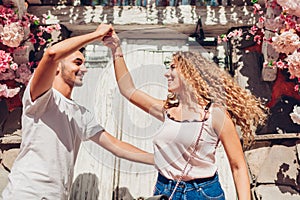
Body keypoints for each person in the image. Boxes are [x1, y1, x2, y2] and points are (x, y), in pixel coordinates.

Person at [103, 31, 268, 200]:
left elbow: (238, 166)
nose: (166, 73)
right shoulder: (167, 111)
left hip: (202, 192)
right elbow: (128, 90)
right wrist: (116, 50)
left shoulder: (216, 115)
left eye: (173, 67)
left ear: (190, 73)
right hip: (165, 189)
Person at [1, 24, 154, 200]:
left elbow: (116, 146)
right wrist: (96, 35)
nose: (84, 69)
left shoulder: (81, 113)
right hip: (27, 193)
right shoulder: (42, 97)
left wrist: (160, 160)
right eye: (77, 62)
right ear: (58, 67)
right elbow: (51, 54)